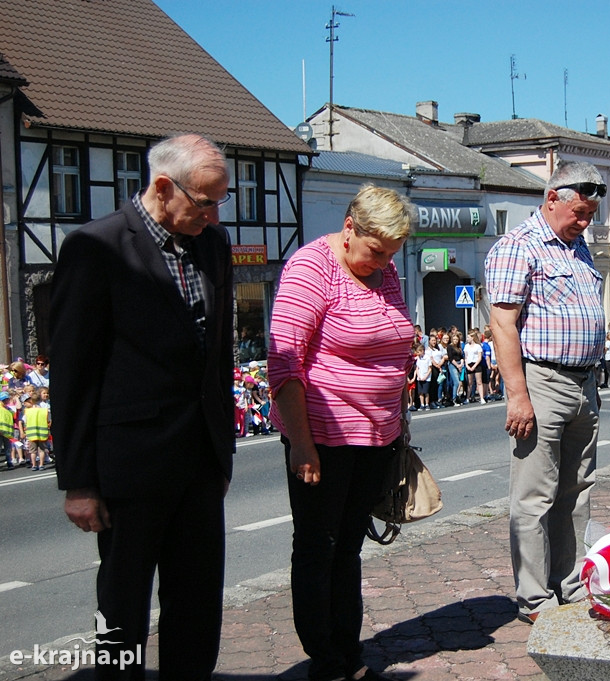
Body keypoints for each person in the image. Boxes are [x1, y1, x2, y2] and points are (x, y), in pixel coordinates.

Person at [49, 133, 235, 680]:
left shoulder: (212, 243)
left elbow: (218, 354)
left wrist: (220, 450)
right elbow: (73, 372)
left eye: (220, 201)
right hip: (128, 465)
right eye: (205, 201)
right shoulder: (97, 246)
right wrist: (79, 481)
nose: (214, 213)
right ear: (162, 186)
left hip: (200, 460)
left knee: (198, 602)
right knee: (124, 607)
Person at [268, 183, 414, 681]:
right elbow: (285, 362)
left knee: (349, 545)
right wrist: (302, 444)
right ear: (349, 228)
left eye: (391, 253)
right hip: (323, 437)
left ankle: (348, 649)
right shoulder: (312, 267)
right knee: (318, 546)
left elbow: (393, 339)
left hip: (375, 436)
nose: (383, 262)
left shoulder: (385, 271)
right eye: (376, 251)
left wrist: (396, 421)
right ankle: (325, 658)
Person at [484, 160, 606, 624]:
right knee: (535, 495)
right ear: (552, 197)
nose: (584, 220)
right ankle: (534, 598)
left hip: (584, 383)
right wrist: (518, 395)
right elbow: (503, 323)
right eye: (578, 211)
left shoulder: (578, 247)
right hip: (542, 381)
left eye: (590, 214)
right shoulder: (519, 246)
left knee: (576, 491)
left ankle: (570, 583)